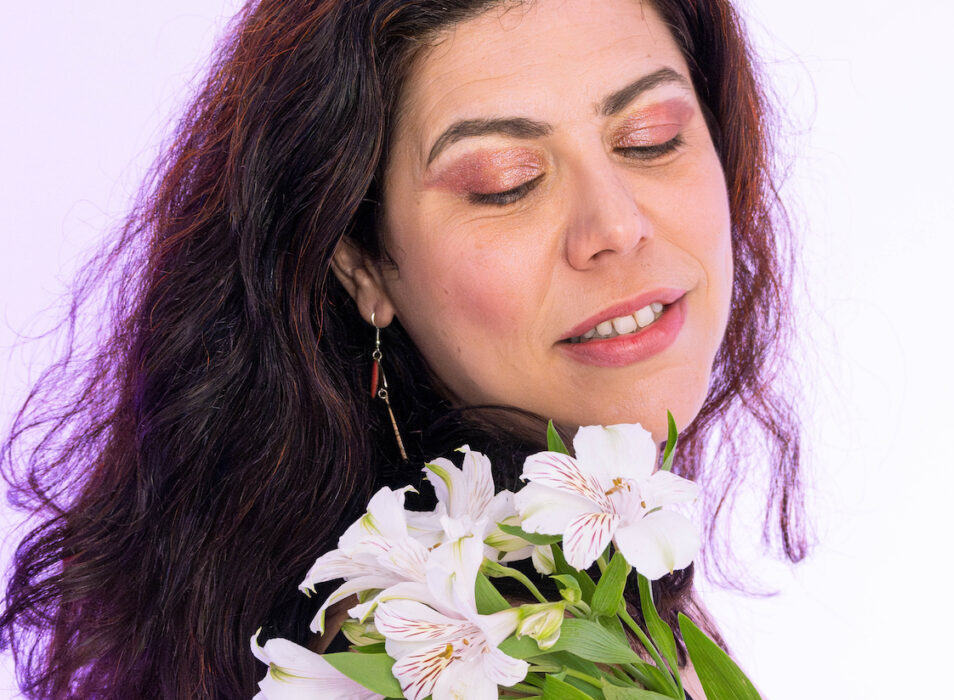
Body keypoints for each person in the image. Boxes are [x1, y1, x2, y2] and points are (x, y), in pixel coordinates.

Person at [0, 0, 807, 697]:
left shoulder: (578, 591)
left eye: (651, 138)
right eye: (506, 181)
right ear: (362, 262)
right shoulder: (456, 645)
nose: (616, 226)